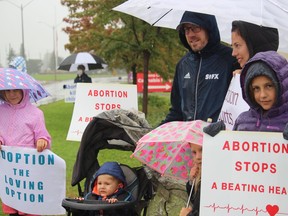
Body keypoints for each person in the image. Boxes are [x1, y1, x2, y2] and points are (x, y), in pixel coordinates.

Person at [161, 11, 238, 124]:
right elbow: (176, 112)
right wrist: (152, 134)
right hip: (189, 139)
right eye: (187, 30)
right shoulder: (183, 65)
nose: (191, 35)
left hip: (220, 138)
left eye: (195, 28)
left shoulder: (231, 59)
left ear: (209, 29)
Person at [218, 20, 279, 129]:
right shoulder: (237, 77)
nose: (233, 53)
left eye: (237, 45)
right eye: (255, 88)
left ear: (254, 44)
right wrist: (219, 135)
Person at [0, 89, 51, 216]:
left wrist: (42, 140)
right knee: (12, 198)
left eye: (16, 91)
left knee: (29, 201)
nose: (12, 94)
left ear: (24, 91)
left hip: (29, 166)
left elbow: (43, 134)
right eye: (7, 91)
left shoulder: (36, 113)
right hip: (8, 165)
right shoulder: (0, 111)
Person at [233, 51, 288, 132]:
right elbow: (230, 142)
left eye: (269, 86)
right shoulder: (242, 121)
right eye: (256, 88)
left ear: (283, 85)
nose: (262, 95)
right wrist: (219, 136)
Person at [179, 120, 209, 216]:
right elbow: (195, 202)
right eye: (194, 152)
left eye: (202, 150)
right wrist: (192, 182)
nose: (198, 157)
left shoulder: (212, 179)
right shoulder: (201, 175)